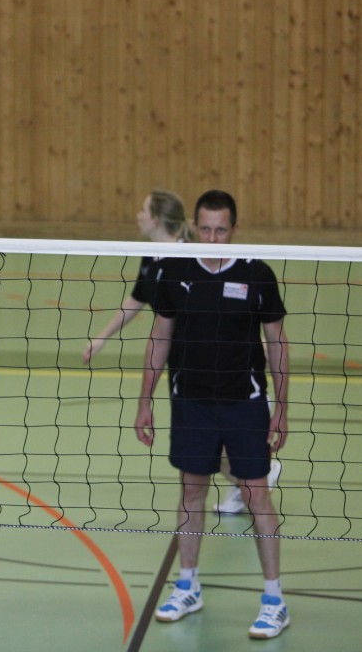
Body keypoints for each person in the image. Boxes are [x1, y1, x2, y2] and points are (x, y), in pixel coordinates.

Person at [136, 189, 291, 639]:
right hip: (191, 403)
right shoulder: (175, 270)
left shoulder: (257, 274)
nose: (212, 238)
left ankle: (274, 600)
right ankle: (187, 586)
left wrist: (282, 407)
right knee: (191, 493)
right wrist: (144, 400)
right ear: (194, 227)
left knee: (257, 496)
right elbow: (160, 337)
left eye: (221, 230)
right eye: (205, 229)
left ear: (234, 229)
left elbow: (277, 343)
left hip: (245, 403)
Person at [82, 189, 195, 365]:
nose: (138, 216)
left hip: (193, 348)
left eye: (143, 210)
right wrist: (102, 337)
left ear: (155, 220)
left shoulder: (185, 258)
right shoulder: (150, 254)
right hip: (171, 350)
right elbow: (136, 299)